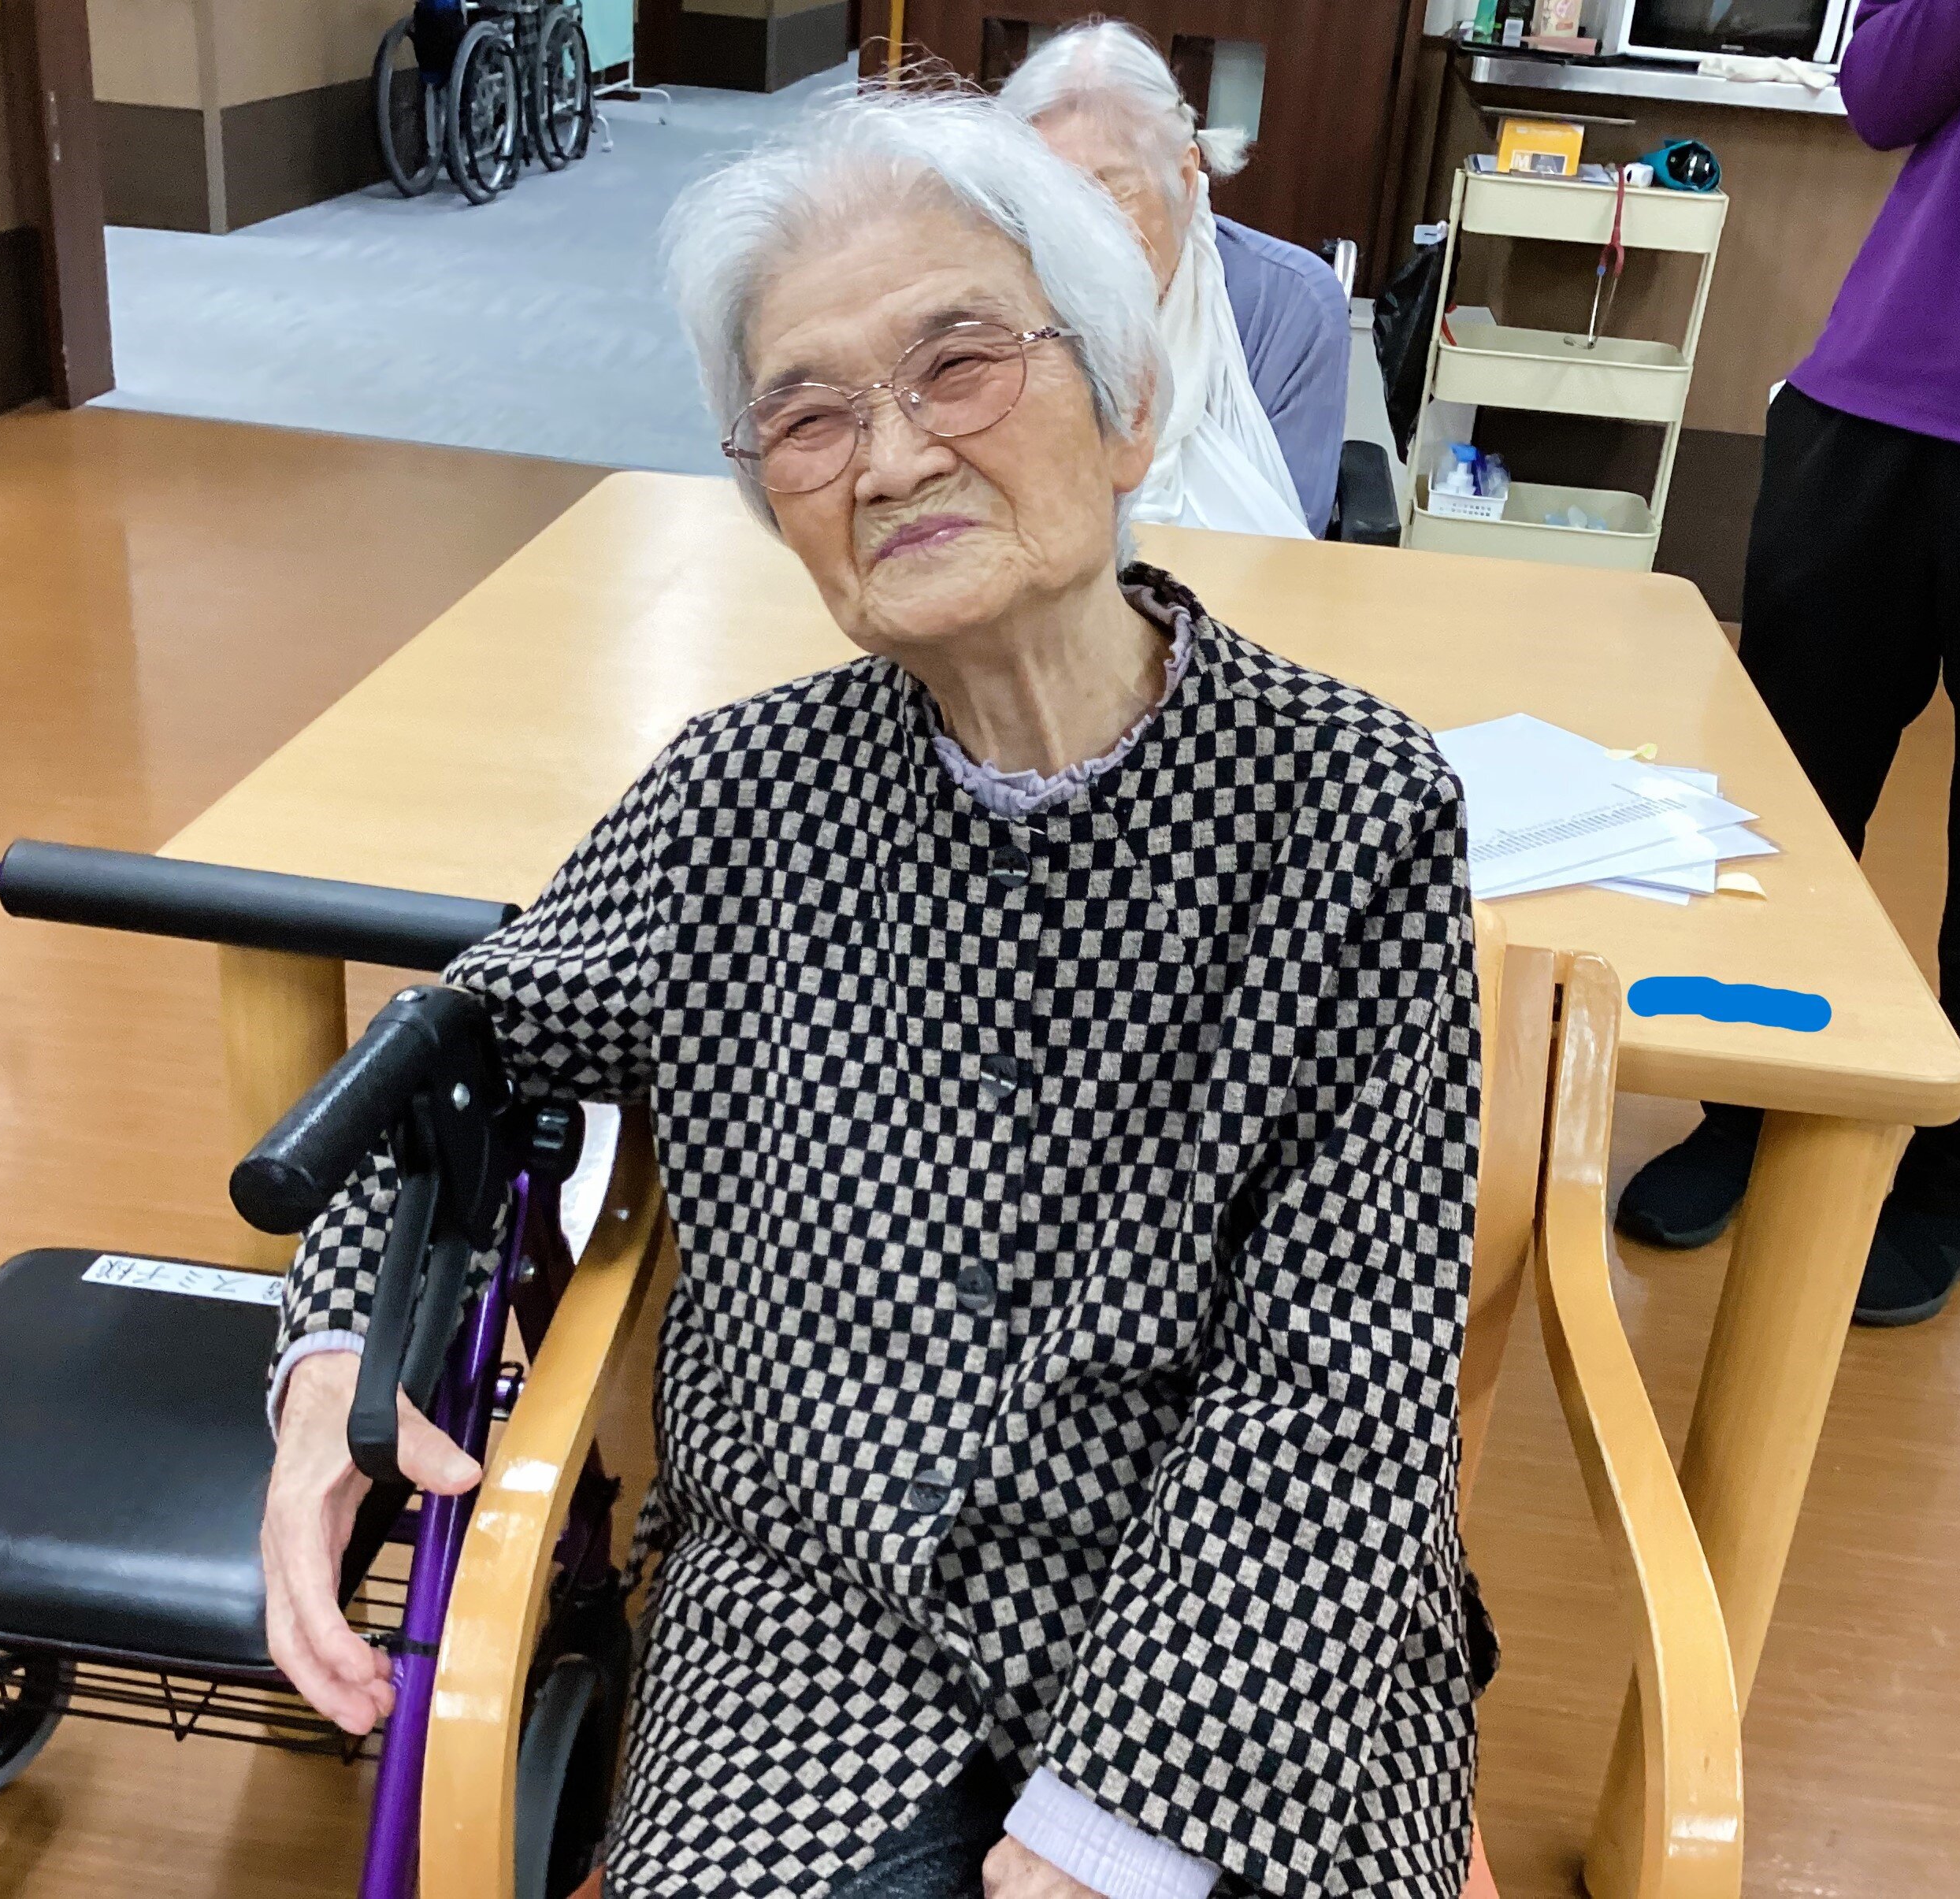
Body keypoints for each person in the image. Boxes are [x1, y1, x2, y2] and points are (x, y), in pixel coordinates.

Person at [259, 89, 1492, 1899]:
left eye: (959, 364)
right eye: (808, 416)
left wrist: (1113, 1828)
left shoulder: (1348, 807)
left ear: (1129, 406)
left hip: (1241, 1633)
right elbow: (450, 1056)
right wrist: (331, 1364)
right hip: (807, 1636)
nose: (892, 459)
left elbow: (1336, 1375)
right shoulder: (737, 796)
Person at [1614, 0, 1960, 1324]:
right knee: (1783, 812)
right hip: (1873, 404)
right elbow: (1878, 94)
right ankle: (1742, 1108)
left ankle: (1954, 1188)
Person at [1000, 21, 1346, 539]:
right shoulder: (996, 296)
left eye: (1105, 192)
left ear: (1184, 181)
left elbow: (1287, 541)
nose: (1074, 230)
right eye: (1043, 199)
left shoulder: (1291, 305)